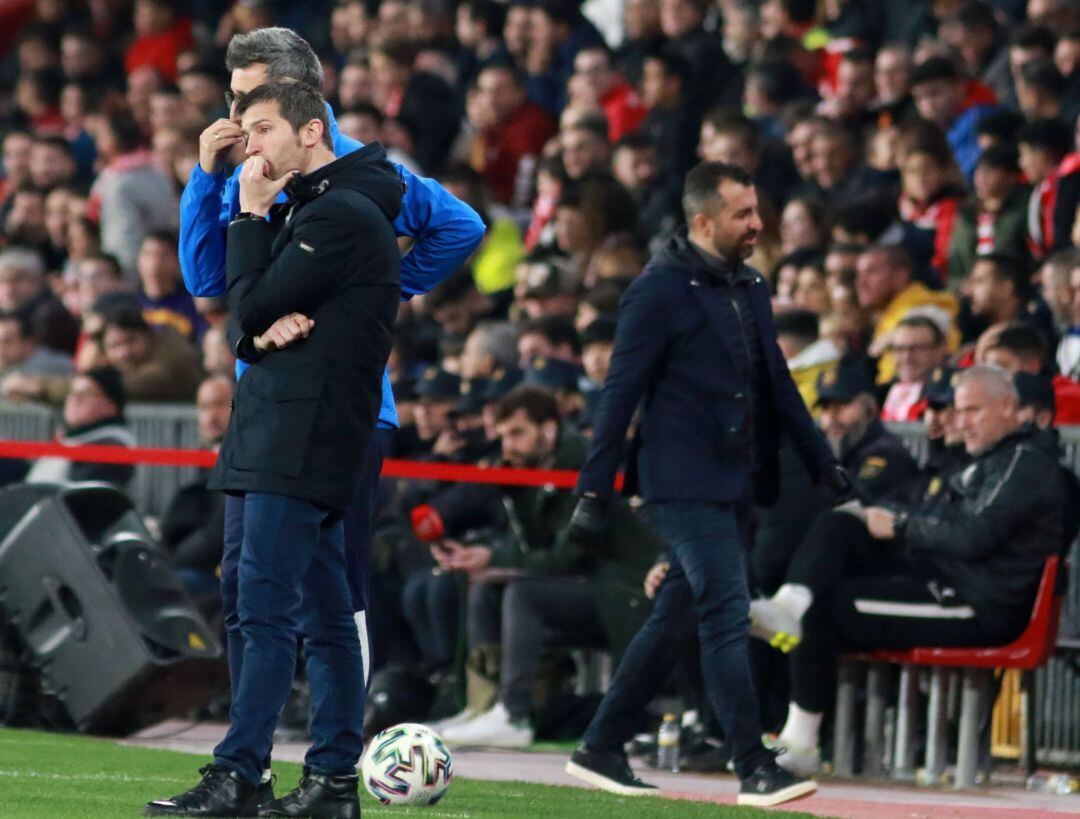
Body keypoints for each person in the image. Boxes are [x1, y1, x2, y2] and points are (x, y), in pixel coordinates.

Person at [176, 25, 483, 793]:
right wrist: (203, 176)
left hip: (340, 411)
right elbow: (207, 277)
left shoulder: (359, 172)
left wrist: (370, 296)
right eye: (233, 99)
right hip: (269, 405)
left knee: (330, 601)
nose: (235, 115)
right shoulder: (250, 166)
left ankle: (315, 765)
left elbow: (462, 227)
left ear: (297, 96)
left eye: (248, 101)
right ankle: (277, 768)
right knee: (253, 591)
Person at [147, 82, 403, 818]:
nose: (249, 148)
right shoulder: (317, 210)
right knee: (319, 611)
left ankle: (242, 771)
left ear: (312, 131)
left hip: (302, 434)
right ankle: (328, 784)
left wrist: (253, 221)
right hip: (283, 429)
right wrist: (255, 330)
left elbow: (248, 300)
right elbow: (240, 319)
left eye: (260, 130)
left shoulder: (343, 214)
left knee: (263, 604)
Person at [563, 161, 848, 808]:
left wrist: (821, 460)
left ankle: (601, 743)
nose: (757, 223)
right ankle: (753, 765)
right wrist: (593, 490)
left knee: (678, 613)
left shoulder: (751, 284)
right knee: (725, 607)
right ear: (702, 221)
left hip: (738, 479)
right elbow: (619, 395)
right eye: (742, 214)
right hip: (680, 481)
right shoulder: (655, 290)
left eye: (756, 210)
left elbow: (776, 379)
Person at [749, 366, 1065, 776]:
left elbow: (973, 538)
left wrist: (898, 526)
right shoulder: (991, 459)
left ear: (1008, 407)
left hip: (975, 605)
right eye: (959, 410)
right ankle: (789, 605)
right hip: (943, 580)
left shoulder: (1026, 463)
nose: (960, 421)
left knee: (827, 607)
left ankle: (801, 741)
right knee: (842, 522)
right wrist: (883, 521)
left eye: (972, 411)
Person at [435, 386, 660, 748]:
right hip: (588, 582)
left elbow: (566, 555)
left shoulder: (581, 464)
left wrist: (497, 560)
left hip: (624, 591)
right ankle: (484, 707)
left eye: (517, 433)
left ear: (549, 429)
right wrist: (486, 555)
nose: (508, 446)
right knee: (484, 590)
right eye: (504, 435)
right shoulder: (532, 469)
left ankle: (514, 714)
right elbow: (530, 543)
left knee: (522, 594)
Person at [25, 366, 134, 489]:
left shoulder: (112, 445)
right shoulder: (73, 437)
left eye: (85, 394)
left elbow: (80, 494)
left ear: (110, 404)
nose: (74, 399)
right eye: (72, 392)